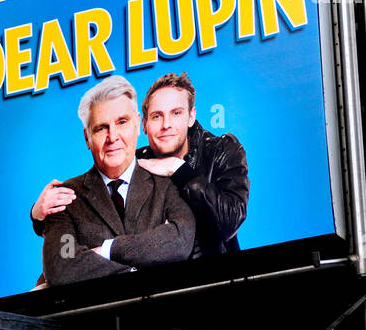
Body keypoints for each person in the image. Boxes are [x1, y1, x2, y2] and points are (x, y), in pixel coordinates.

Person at [33, 70, 248, 258]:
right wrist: (38, 215)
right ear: (143, 125)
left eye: (176, 113)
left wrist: (180, 170)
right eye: (156, 116)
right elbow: (93, 208)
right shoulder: (137, 160)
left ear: (191, 117)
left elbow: (228, 222)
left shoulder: (221, 150)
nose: (166, 125)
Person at [40, 76, 195, 286]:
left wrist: (106, 250)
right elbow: (63, 263)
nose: (113, 137)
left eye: (122, 122)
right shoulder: (65, 197)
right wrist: (132, 271)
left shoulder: (168, 181)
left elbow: (178, 240)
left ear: (138, 125)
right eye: (101, 128)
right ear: (87, 137)